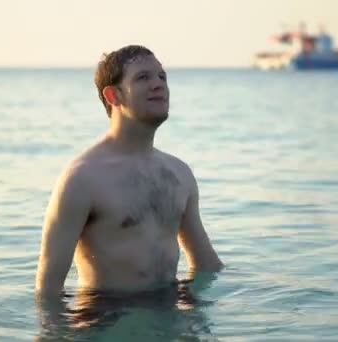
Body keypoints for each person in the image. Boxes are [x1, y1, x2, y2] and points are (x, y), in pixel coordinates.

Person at [34, 45, 224, 301]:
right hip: (106, 321)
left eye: (162, 77)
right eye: (143, 77)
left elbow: (206, 265)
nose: (158, 85)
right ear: (113, 96)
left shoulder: (179, 173)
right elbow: (47, 291)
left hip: (168, 316)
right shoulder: (83, 178)